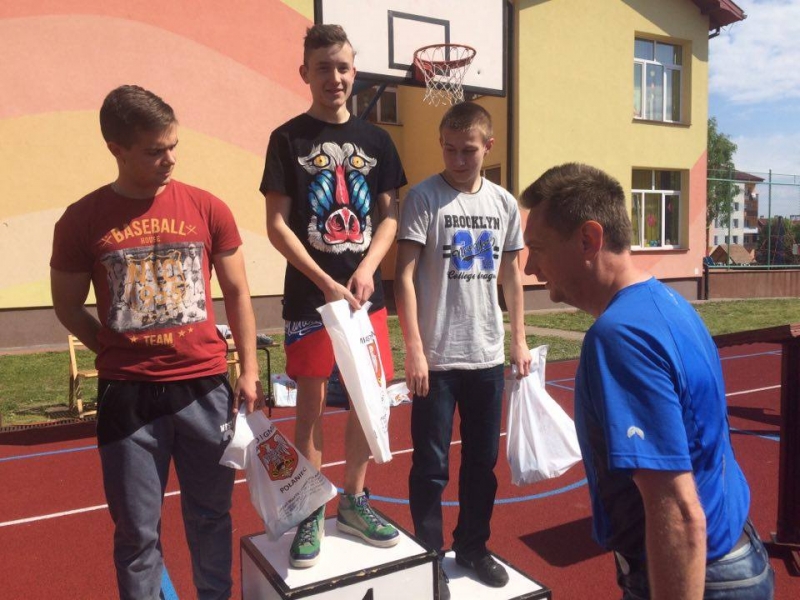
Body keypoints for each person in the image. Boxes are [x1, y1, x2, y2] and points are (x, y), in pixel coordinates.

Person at [520, 163, 774, 600]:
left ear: (588, 240)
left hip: (703, 577)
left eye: (537, 248)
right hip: (735, 557)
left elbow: (677, 508)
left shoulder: (619, 337)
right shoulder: (667, 303)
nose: (529, 267)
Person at [50, 85, 263, 600]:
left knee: (211, 516)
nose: (170, 159)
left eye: (173, 146)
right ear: (116, 149)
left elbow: (237, 292)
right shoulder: (81, 219)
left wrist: (250, 369)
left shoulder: (207, 207)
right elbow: (66, 306)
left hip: (204, 389)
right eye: (154, 151)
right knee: (137, 533)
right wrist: (112, 350)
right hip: (129, 398)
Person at [260, 24, 406, 568]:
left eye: (343, 67)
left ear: (354, 71)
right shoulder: (286, 139)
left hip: (367, 301)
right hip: (311, 300)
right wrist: (324, 280)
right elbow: (277, 224)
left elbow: (389, 217)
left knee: (369, 405)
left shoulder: (378, 141)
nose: (335, 77)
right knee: (311, 409)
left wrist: (367, 268)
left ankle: (354, 501)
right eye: (323, 68)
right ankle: (310, 511)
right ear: (305, 73)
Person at [394, 101, 532, 600]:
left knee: (482, 464)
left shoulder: (504, 203)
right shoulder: (423, 198)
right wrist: (414, 348)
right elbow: (403, 276)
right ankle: (430, 558)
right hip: (436, 359)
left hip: (486, 357)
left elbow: (511, 275)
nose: (457, 159)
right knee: (430, 467)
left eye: (468, 150)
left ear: (487, 147)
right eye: (449, 149)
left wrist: (518, 338)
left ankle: (472, 546)